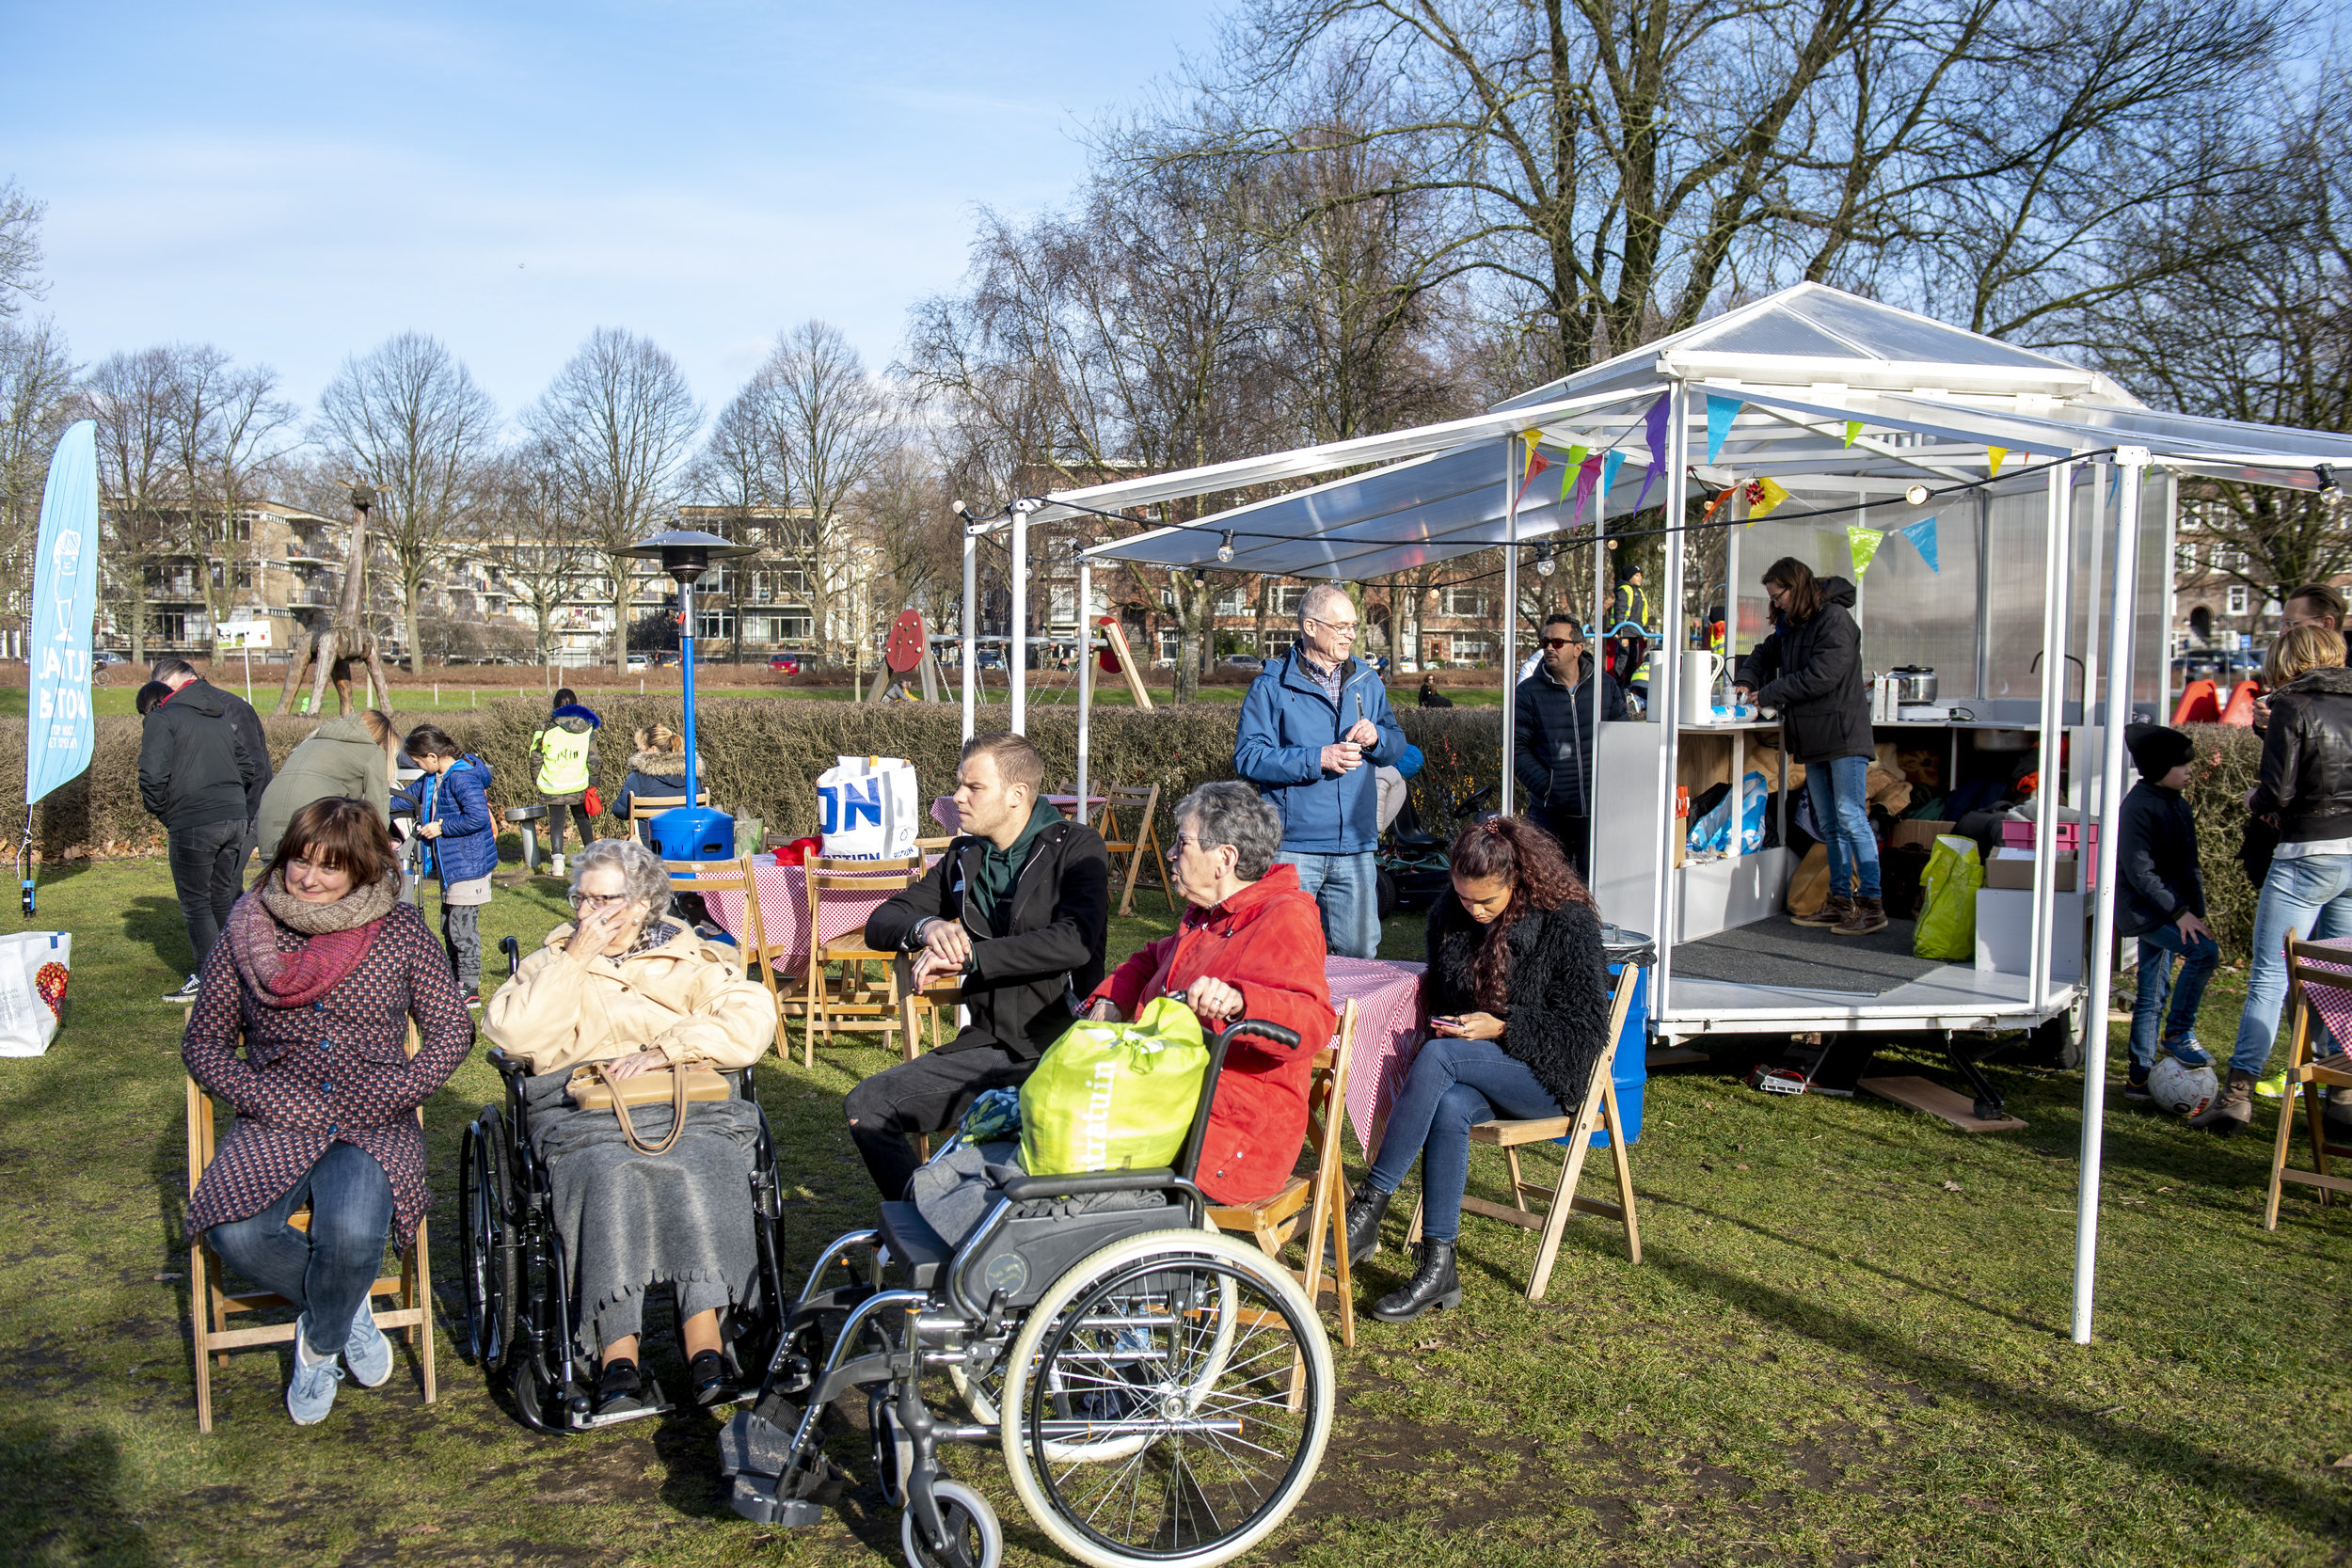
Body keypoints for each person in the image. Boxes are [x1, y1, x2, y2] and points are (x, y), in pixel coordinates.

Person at [183, 798, 474, 1426]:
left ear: (364, 868)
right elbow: (202, 1044)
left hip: (372, 1117)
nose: (306, 879)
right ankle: (346, 1310)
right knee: (234, 1232)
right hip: (276, 1115)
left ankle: (318, 1343)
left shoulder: (398, 931)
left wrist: (400, 1086)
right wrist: (261, 1095)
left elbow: (452, 1030)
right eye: (298, 861)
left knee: (352, 1233)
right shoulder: (248, 926)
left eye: (328, 868)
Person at [483, 837, 777, 1413]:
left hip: (681, 1101)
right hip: (582, 1112)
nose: (589, 913)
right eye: (581, 899)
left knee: (709, 1163)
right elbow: (513, 1037)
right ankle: (617, 1353)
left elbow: (751, 1019)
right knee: (609, 1172)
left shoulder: (686, 957)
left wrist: (671, 1048)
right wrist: (575, 961)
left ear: (642, 904)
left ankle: (706, 1345)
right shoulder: (551, 962)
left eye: (605, 901)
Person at [1329, 817, 1613, 1323]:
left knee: (1440, 1059)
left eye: (1486, 901)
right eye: (1465, 899)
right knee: (1450, 1101)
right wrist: (1456, 1020)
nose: (1475, 911)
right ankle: (1439, 1264)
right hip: (1481, 1067)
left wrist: (1502, 1028)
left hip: (1549, 1073)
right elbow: (1442, 990)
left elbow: (1584, 1030)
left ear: (1518, 879)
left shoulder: (1566, 921)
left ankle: (1369, 1206)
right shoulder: (1449, 914)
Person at [850, 732, 1111, 1201]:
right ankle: (926, 1214)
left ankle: (940, 1216)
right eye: (959, 785)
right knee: (867, 1104)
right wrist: (928, 927)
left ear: (1017, 796)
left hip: (1062, 1049)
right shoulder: (963, 855)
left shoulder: (1078, 846)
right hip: (985, 1048)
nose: (957, 798)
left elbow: (1074, 941)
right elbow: (881, 921)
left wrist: (973, 955)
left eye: (973, 787)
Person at [1082, 783, 1335, 1204]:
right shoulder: (1209, 915)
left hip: (1233, 1134)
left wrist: (1240, 1001)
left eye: (1182, 842)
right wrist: (1110, 1001)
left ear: (1225, 859)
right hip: (1173, 1103)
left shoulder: (1285, 916)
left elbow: (1313, 1021)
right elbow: (1151, 958)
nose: (1170, 854)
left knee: (1074, 1165)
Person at [2202, 624, 2352, 1132]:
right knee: (2336, 977)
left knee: (2270, 976)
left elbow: (2278, 792)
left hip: (2305, 852)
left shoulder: (2293, 705)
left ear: (2288, 662)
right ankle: (2341, 1095)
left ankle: (2237, 1093)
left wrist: (2251, 799)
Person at [1234, 583, 1408, 958]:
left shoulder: (1367, 679)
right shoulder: (1271, 684)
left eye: (1353, 626)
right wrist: (1319, 759)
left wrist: (1378, 737)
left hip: (1357, 846)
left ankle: (1350, 1021)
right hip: (1294, 847)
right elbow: (1249, 757)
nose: (1350, 634)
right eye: (1341, 625)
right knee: (1285, 954)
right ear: (1310, 627)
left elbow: (1397, 743)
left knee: (1359, 955)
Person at [1732, 557, 1880, 935]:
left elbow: (1822, 676)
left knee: (1850, 817)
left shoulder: (1834, 620)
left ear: (1795, 588)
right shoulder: (1794, 624)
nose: (1775, 603)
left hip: (1843, 734)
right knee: (1829, 823)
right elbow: (1766, 652)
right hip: (1814, 736)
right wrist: (1748, 679)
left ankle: (1872, 904)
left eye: (1778, 595)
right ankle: (1839, 901)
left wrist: (1767, 692)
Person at [141, 661, 262, 1002]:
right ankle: (238, 974)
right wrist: (232, 803)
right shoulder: (218, 717)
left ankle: (210, 980)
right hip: (233, 819)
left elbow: (151, 778)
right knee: (221, 897)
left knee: (196, 903)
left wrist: (167, 813)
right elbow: (248, 767)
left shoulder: (163, 719)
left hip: (194, 821)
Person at [2116, 723, 2218, 1101]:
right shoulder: (2139, 806)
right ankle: (2178, 1033)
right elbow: (2140, 871)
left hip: (2173, 911)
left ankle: (2139, 1078)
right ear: (2159, 767)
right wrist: (2179, 914)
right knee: (2204, 953)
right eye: (2181, 764)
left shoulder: (2178, 802)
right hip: (2149, 912)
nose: (2190, 770)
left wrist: (2195, 912)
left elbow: (2188, 867)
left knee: (2151, 992)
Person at [1514, 613, 1628, 879]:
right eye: (1545, 642)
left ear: (1578, 648)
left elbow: (1622, 738)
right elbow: (1517, 749)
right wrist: (1549, 787)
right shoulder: (1529, 692)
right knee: (1547, 888)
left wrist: (1611, 786)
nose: (1549, 648)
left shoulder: (1604, 686)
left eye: (1557, 642)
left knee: (1599, 885)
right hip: (1550, 813)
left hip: (1598, 809)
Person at [396, 724, 496, 1007]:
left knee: (462, 927)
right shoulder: (432, 778)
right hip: (450, 866)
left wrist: (441, 827)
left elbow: (477, 817)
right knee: (447, 925)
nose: (417, 767)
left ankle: (470, 987)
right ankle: (456, 980)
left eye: (417, 762)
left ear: (431, 756)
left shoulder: (462, 778)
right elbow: (406, 797)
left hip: (468, 864)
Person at [153, 657, 275, 866]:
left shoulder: (232, 709)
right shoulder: (177, 716)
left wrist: (240, 820)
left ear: (191, 681)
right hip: (206, 817)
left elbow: (254, 769)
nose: (169, 699)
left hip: (242, 813)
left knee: (225, 886)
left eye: (173, 691)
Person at [253, 709, 400, 863]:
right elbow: (377, 813)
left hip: (268, 824)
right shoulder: (373, 752)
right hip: (310, 827)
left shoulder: (311, 742)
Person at [531, 689, 601, 873]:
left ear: (555, 705)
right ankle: (591, 859)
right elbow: (593, 759)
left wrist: (537, 779)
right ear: (576, 704)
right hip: (579, 783)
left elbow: (535, 757)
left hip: (552, 783)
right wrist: (593, 784)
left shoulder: (546, 727)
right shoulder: (586, 727)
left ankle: (558, 865)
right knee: (582, 819)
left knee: (556, 821)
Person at [609, 722, 701, 843]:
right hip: (688, 849)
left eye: (640, 749)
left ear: (651, 749)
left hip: (649, 853)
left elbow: (619, 811)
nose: (637, 753)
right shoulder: (693, 778)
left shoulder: (638, 778)